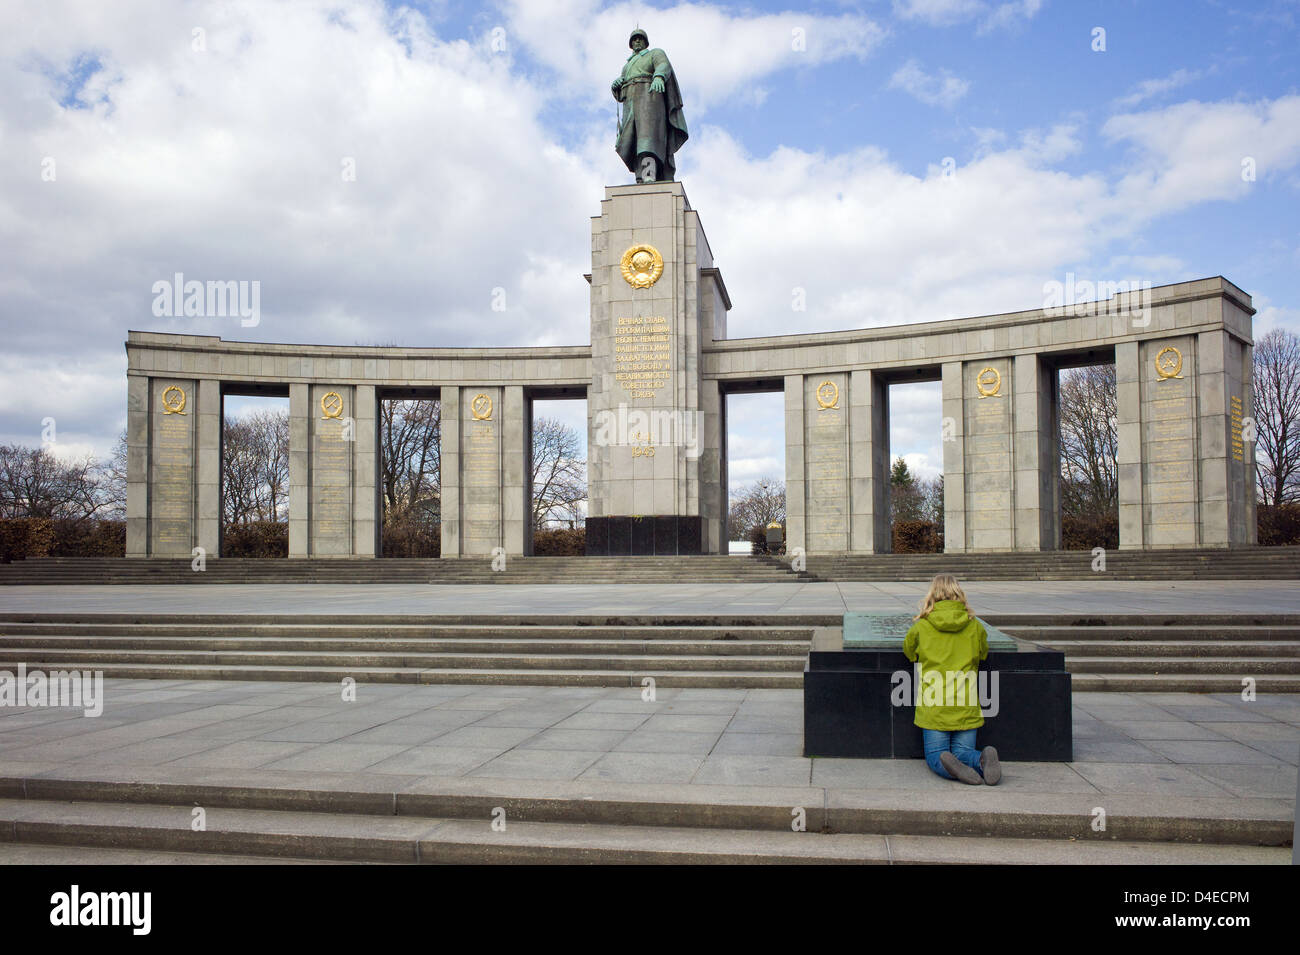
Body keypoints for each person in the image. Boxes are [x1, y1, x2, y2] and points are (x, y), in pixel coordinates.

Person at [902, 574, 1001, 785]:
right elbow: (983, 653)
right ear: (960, 595)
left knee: (936, 756)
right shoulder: (975, 626)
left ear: (932, 596)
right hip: (966, 703)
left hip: (934, 704)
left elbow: (909, 652)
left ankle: (956, 771)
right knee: (964, 751)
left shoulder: (921, 626)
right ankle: (980, 759)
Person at [611, 29, 688, 183]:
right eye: (634, 39)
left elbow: (663, 65)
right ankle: (639, 176)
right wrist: (616, 86)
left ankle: (648, 174)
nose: (637, 41)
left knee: (647, 139)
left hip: (649, 97)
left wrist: (659, 76)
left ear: (645, 41)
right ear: (631, 44)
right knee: (633, 140)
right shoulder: (627, 66)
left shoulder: (654, 53)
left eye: (640, 39)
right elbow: (621, 90)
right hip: (630, 103)